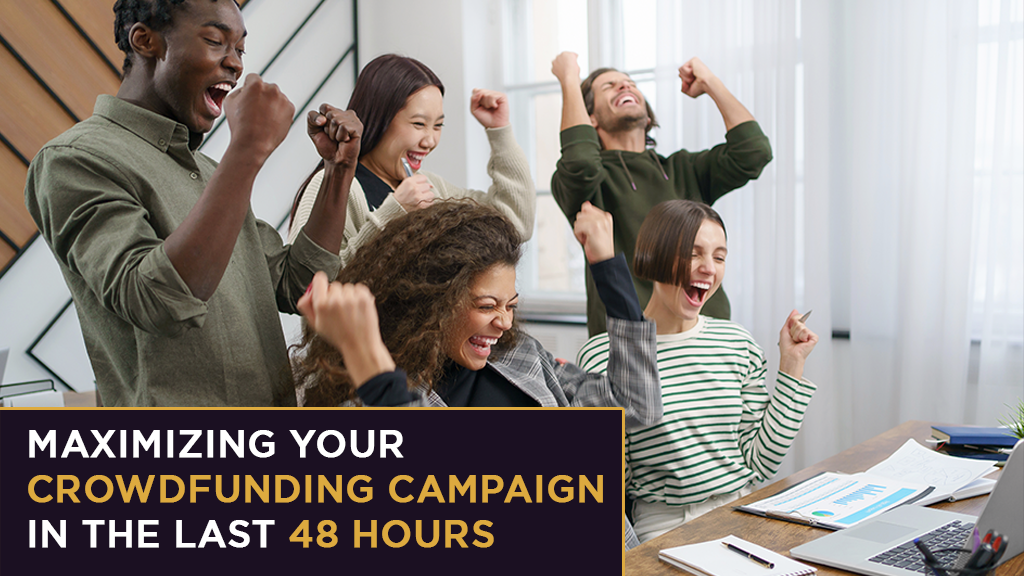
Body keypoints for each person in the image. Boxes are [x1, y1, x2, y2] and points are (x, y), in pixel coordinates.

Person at [24, 0, 360, 406]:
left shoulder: (208, 170)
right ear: (146, 41)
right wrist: (248, 149)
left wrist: (338, 170)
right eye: (216, 41)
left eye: (240, 49)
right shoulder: (75, 159)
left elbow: (299, 283)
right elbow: (156, 300)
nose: (235, 64)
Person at [293, 200, 660, 428]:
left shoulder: (522, 356)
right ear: (432, 302)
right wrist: (369, 362)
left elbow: (634, 405)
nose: (504, 322)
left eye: (511, 306)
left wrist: (608, 268)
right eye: (486, 306)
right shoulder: (371, 396)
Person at [577, 200, 818, 543]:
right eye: (694, 253)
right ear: (654, 255)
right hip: (663, 526)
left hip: (744, 512)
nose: (709, 268)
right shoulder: (603, 354)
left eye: (719, 257)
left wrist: (792, 364)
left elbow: (759, 462)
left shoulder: (736, 342)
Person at [550, 51, 773, 336]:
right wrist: (569, 79)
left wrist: (711, 83)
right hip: (631, 339)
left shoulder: (683, 168)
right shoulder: (584, 183)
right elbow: (580, 162)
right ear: (590, 117)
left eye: (630, 83)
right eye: (609, 86)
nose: (625, 86)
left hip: (708, 334)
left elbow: (754, 152)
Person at [288, 54, 535, 262]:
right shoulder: (332, 185)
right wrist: (392, 215)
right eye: (419, 124)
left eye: (438, 126)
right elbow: (310, 289)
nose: (429, 141)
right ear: (379, 120)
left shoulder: (431, 187)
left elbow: (514, 224)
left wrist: (499, 130)